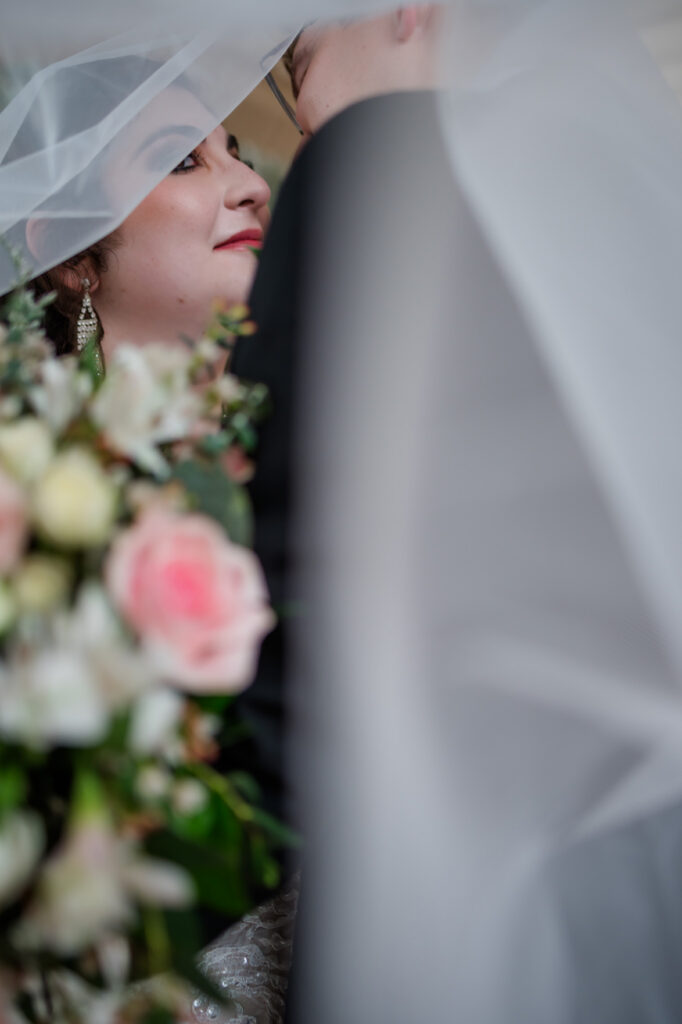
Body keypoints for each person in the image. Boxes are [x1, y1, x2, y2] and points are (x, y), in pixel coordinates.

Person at [231, 6, 682, 1023]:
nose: (301, 117)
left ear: (404, 8)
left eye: (297, 64)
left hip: (463, 929)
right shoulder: (648, 181)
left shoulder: (378, 168)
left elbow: (290, 646)